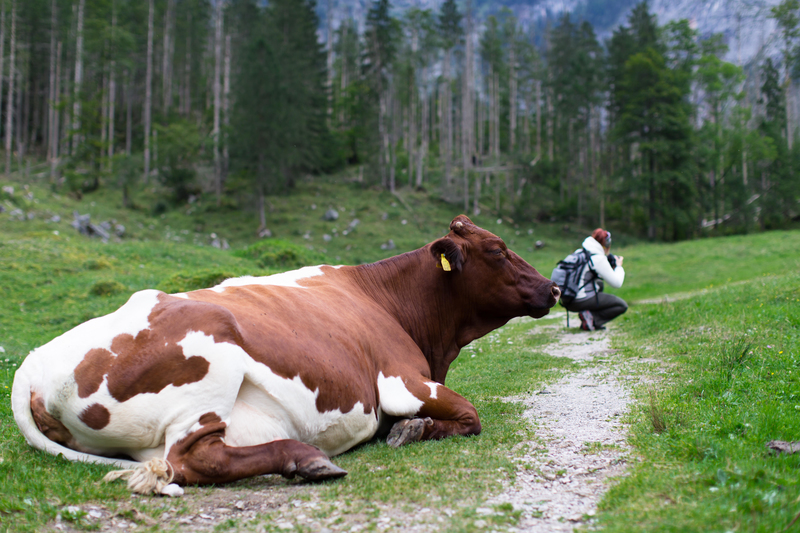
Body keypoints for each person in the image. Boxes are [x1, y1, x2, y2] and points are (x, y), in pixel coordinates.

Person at [562, 228, 628, 331]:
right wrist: (619, 266)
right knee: (621, 305)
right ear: (606, 245)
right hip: (581, 300)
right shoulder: (597, 258)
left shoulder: (580, 252)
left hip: (567, 299)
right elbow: (617, 283)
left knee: (599, 284)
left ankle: (588, 315)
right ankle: (593, 320)